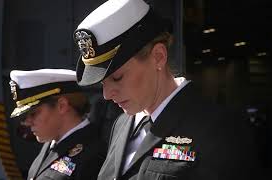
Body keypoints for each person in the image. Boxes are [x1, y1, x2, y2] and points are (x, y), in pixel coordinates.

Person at [73, 0, 262, 179]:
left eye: (117, 77)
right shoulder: (122, 124)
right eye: (102, 83)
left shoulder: (218, 128)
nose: (106, 94)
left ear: (158, 57)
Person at [9, 69, 105, 180]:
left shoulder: (92, 155)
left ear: (62, 106)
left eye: (33, 113)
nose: (26, 122)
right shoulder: (52, 144)